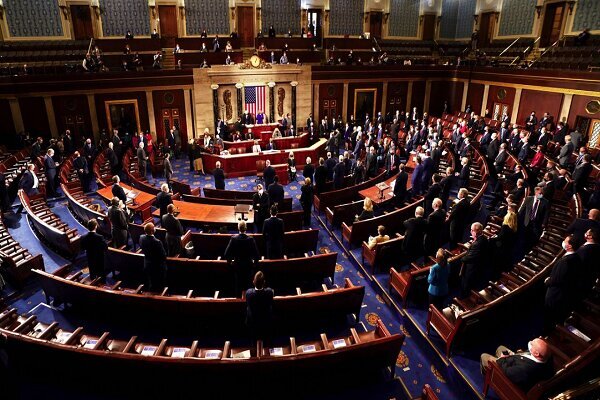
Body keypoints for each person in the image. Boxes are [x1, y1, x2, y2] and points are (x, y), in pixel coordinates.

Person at [480, 338, 553, 392]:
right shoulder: (547, 358)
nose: (530, 343)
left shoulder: (525, 369)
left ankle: (488, 374)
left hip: (508, 372)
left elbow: (507, 371)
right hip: (518, 362)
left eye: (532, 344)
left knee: (484, 357)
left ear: (536, 353)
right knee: (500, 348)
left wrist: (502, 359)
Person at [544, 234, 583, 331]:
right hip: (563, 294)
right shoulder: (576, 257)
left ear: (569, 246)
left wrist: (548, 281)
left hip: (555, 294)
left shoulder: (566, 261)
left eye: (565, 241)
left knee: (550, 317)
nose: (563, 242)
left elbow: (558, 279)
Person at [224, 221, 260, 293]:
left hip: (238, 266)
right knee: (248, 286)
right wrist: (254, 264)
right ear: (246, 228)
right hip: (248, 266)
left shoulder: (233, 239)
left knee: (238, 286)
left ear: (238, 228)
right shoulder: (250, 239)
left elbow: (226, 254)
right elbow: (257, 255)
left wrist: (231, 262)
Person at [460, 222, 489, 298]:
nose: (470, 232)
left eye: (472, 230)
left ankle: (464, 299)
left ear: (477, 232)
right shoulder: (483, 238)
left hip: (472, 268)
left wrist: (462, 259)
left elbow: (470, 257)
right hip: (479, 266)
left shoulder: (478, 244)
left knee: (466, 285)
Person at [245, 271, 274, 340]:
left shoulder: (249, 293)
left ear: (253, 282)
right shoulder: (269, 292)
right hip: (266, 321)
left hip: (252, 322)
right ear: (264, 282)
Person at [490, 207, 518, 278]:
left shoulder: (505, 227)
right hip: (507, 250)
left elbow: (500, 238)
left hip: (500, 248)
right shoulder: (514, 228)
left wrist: (491, 239)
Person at [139, 222, 167, 291]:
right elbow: (163, 255)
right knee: (158, 283)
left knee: (150, 280)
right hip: (157, 266)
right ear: (152, 231)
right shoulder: (157, 242)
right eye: (154, 227)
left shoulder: (141, 237)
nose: (155, 228)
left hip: (147, 263)